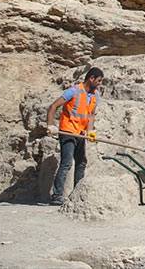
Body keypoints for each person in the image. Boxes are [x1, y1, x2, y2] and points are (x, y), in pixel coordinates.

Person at [45, 67, 104, 205]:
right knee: (66, 162)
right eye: (99, 81)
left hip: (81, 133)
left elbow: (91, 115)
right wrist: (50, 125)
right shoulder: (74, 91)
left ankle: (78, 193)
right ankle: (57, 195)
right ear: (91, 78)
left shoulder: (95, 95)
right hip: (68, 131)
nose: (100, 84)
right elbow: (53, 106)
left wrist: (90, 131)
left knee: (81, 162)